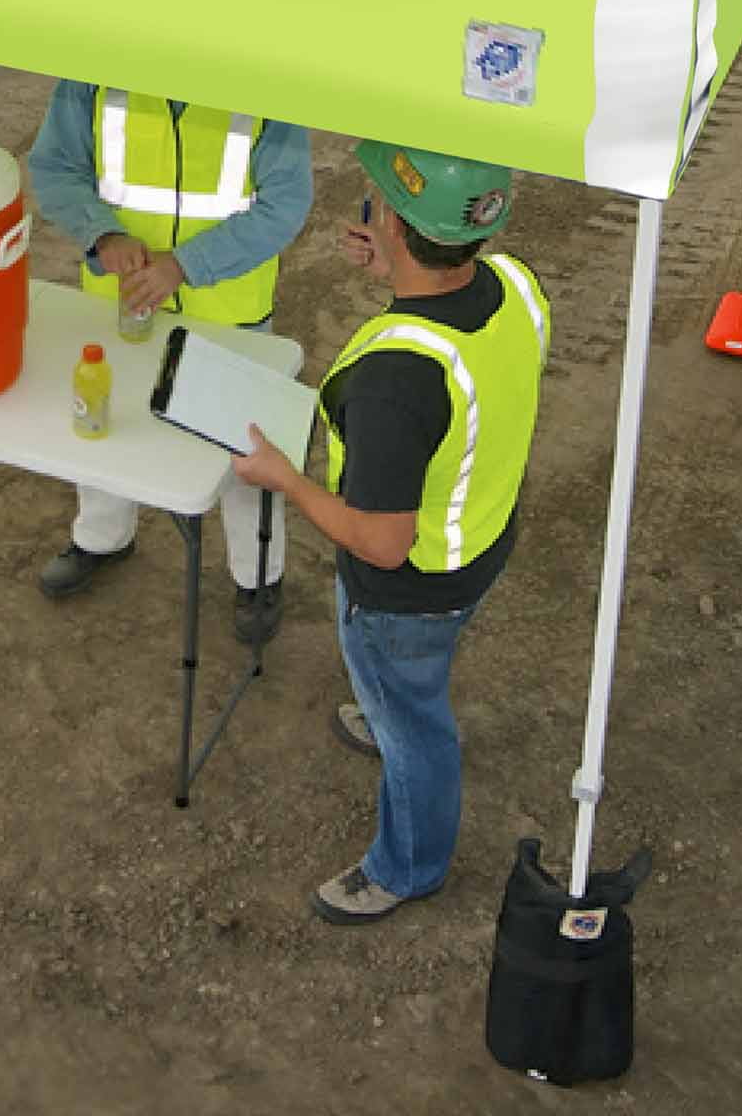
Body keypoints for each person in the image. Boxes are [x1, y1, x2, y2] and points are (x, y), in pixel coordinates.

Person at [234, 140, 549, 924]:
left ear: (400, 227)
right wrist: (396, 266)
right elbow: (461, 323)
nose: (362, 205)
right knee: (408, 686)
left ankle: (407, 867)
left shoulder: (394, 381)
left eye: (375, 198)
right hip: (481, 539)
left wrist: (286, 478)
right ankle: (387, 712)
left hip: (406, 594)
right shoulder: (517, 284)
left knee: (415, 728)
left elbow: (380, 543)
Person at [28, 81, 313, 641]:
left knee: (247, 453)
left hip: (230, 314)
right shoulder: (94, 73)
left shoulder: (266, 83)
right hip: (122, 302)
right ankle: (102, 536)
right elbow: (56, 166)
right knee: (104, 420)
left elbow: (286, 204)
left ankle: (258, 577)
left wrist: (185, 265)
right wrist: (102, 233)